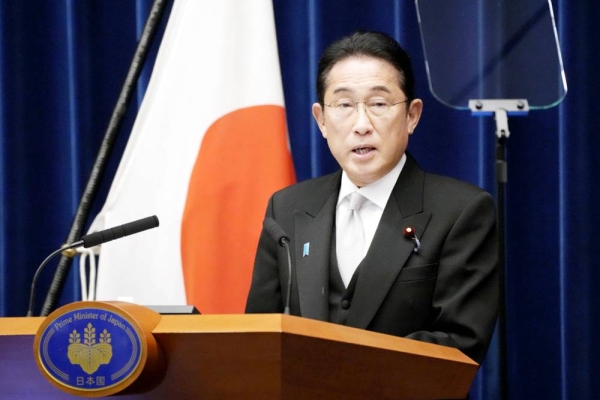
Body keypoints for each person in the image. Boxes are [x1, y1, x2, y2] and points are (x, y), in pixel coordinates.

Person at [245, 30, 498, 364]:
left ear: (412, 116)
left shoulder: (461, 211)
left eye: (379, 104)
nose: (361, 124)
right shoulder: (288, 208)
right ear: (321, 120)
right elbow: (259, 334)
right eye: (345, 105)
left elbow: (458, 343)